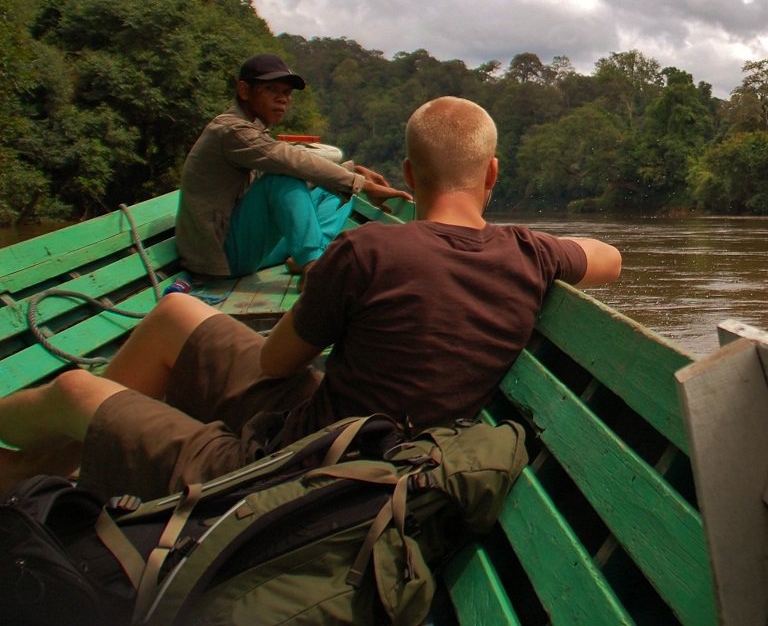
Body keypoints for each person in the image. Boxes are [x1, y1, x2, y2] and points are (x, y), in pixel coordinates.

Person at [0, 96, 622, 500]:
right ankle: (63, 458)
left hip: (292, 470)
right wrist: (535, 243)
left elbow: (275, 363)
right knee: (175, 313)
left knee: (74, 389)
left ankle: (34, 463)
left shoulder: (367, 250)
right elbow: (609, 258)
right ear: (492, 174)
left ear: (408, 176)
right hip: (352, 437)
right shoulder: (528, 253)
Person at [175, 53, 412, 278]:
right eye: (271, 89)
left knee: (336, 190)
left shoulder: (252, 128)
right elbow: (289, 161)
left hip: (245, 248)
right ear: (244, 90)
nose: (283, 99)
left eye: (287, 93)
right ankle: (314, 265)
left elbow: (297, 163)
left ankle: (315, 254)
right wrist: (364, 185)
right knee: (283, 178)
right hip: (222, 257)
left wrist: (353, 173)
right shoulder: (232, 130)